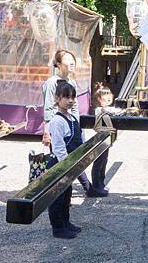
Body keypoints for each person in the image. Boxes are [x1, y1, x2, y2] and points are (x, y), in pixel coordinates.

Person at [41, 49, 91, 194]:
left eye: (73, 60)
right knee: (59, 158)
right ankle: (57, 192)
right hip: (58, 125)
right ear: (58, 64)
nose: (71, 63)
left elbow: (75, 108)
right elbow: (48, 107)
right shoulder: (51, 83)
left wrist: (78, 127)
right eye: (67, 60)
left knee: (75, 156)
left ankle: (85, 187)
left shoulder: (71, 82)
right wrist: (46, 131)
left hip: (71, 125)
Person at [47, 80, 83, 239]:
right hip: (60, 165)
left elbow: (79, 137)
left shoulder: (73, 117)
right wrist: (68, 166)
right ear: (57, 99)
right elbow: (59, 148)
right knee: (57, 197)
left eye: (73, 97)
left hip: (70, 163)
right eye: (66, 97)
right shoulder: (57, 121)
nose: (70, 100)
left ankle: (66, 222)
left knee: (67, 194)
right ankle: (57, 228)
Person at [89, 83, 124, 197]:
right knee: (98, 162)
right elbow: (112, 112)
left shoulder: (109, 108)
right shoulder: (99, 110)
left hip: (107, 139)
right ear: (99, 99)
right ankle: (96, 185)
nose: (108, 96)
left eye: (109, 94)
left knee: (104, 161)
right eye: (105, 95)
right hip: (100, 139)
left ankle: (101, 183)